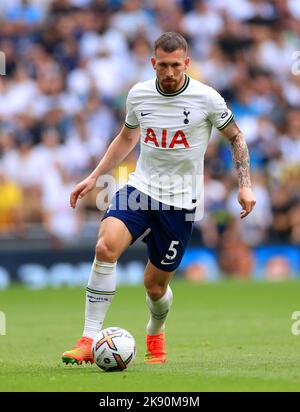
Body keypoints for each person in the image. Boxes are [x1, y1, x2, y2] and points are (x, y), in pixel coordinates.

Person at [62, 32, 256, 365]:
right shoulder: (139, 94)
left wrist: (245, 184)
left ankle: (155, 329)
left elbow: (236, 137)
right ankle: (88, 338)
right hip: (141, 190)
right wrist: (95, 176)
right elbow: (126, 137)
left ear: (187, 64)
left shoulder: (207, 98)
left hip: (179, 204)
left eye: (176, 65)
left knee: (154, 286)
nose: (169, 72)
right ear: (153, 63)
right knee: (105, 247)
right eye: (163, 65)